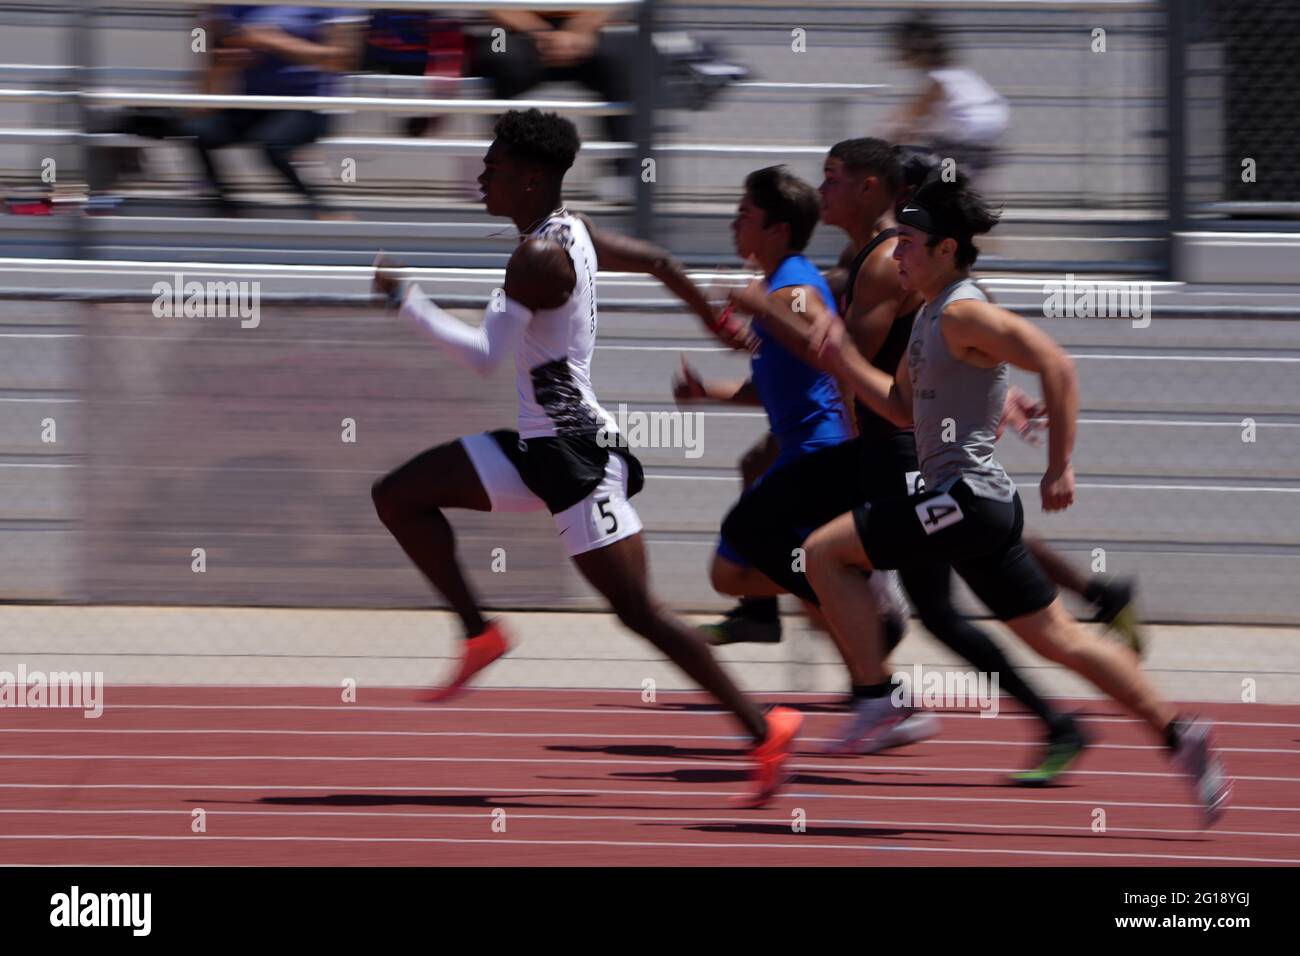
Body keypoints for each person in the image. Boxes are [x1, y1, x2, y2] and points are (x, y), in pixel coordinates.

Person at [742, 176, 1229, 825]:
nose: (899, 257)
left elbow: (1056, 365)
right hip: (974, 509)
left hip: (967, 501)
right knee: (1059, 640)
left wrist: (1060, 467)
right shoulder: (928, 318)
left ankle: (877, 699)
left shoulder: (964, 311)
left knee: (825, 553)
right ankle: (1179, 734)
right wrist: (839, 361)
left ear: (946, 249)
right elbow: (902, 408)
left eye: (910, 245)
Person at [369, 108, 800, 807]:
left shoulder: (540, 256)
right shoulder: (572, 229)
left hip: (574, 459)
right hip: (539, 447)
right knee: (398, 496)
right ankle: (480, 635)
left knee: (640, 612)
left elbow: (485, 358)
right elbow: (660, 260)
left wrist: (406, 301)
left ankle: (764, 728)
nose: (482, 177)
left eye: (494, 167)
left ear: (532, 178)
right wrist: (715, 320)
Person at [715, 142, 1082, 773]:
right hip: (877, 445)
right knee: (763, 529)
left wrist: (766, 312)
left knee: (937, 608)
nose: (821, 190)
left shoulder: (891, 261)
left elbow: (844, 360)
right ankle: (872, 636)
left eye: (833, 180)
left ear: (872, 189)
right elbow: (908, 342)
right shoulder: (859, 261)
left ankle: (891, 660)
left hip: (899, 448)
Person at [188, 5, 365, 217]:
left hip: (308, 104)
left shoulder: (330, 6)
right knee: (198, 130)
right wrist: (229, 58)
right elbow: (211, 56)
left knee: (273, 142)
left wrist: (274, 41)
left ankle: (321, 209)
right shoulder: (234, 6)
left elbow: (344, 60)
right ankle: (225, 205)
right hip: (253, 104)